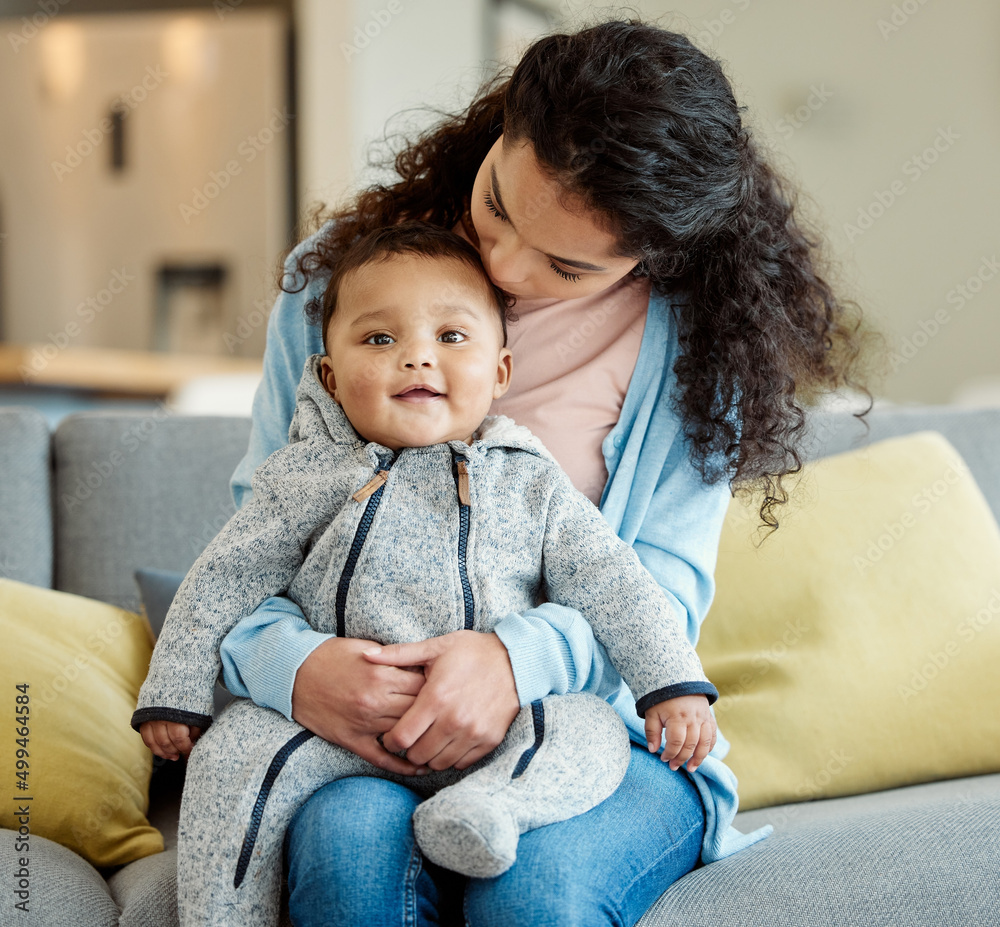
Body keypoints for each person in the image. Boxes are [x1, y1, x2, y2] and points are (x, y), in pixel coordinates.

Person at [214, 18, 875, 927]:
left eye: (566, 264)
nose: (504, 265)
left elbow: (662, 593)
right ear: (494, 133)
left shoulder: (696, 347)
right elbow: (255, 536)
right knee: (345, 851)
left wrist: (513, 661)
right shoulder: (338, 283)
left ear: (653, 253)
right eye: (496, 204)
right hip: (369, 738)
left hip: (592, 732)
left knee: (532, 891)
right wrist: (300, 669)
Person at [131, 222, 725, 925]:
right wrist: (174, 691)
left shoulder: (530, 480)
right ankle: (220, 916)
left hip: (507, 733)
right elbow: (224, 577)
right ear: (327, 374)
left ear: (501, 372)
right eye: (380, 340)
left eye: (451, 338)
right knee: (231, 754)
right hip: (341, 737)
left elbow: (614, 580)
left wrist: (672, 682)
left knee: (588, 730)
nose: (417, 358)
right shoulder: (304, 476)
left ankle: (490, 809)